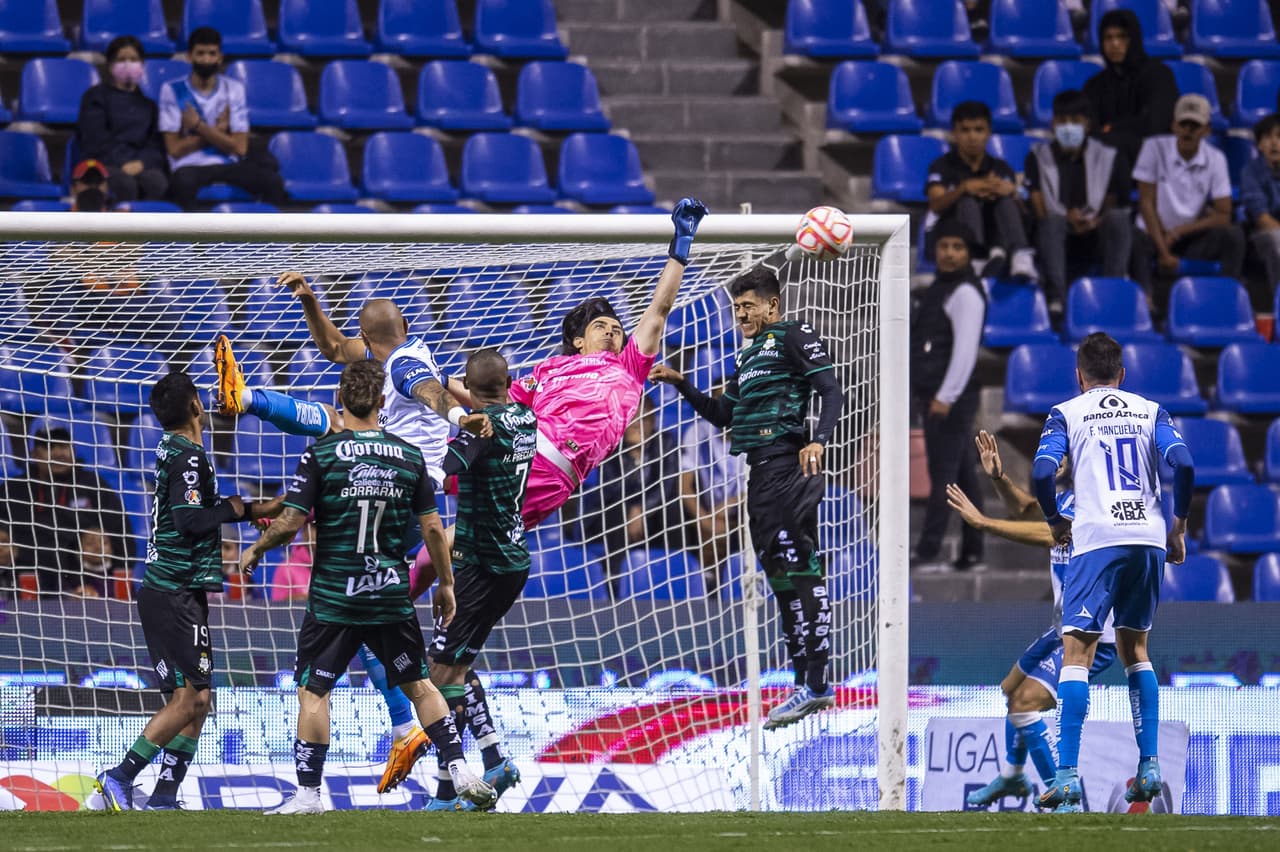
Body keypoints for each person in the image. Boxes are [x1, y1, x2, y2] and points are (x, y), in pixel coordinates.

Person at [238, 359, 496, 815]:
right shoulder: (410, 457)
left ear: (340, 399)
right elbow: (433, 530)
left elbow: (292, 521)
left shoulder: (322, 455)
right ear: (381, 401)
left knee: (314, 692)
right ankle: (459, 769)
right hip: (388, 594)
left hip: (335, 598)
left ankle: (309, 795)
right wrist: (446, 584)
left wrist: (257, 548)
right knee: (420, 685)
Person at [650, 264, 844, 729]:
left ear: (772, 305)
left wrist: (818, 440)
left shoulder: (793, 335)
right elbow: (723, 415)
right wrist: (682, 384)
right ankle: (804, 683)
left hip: (790, 465)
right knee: (780, 580)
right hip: (759, 475)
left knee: (802, 569)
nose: (740, 314)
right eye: (736, 307)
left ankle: (819, 681)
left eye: (748, 306)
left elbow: (831, 390)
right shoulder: (747, 355)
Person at [95, 370, 281, 811]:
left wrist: (259, 508)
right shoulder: (189, 458)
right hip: (174, 591)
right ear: (196, 406)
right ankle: (118, 777)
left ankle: (164, 796)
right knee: (188, 698)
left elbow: (200, 509)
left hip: (172, 589)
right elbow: (190, 521)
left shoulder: (175, 449)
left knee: (197, 699)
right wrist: (234, 509)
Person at [1031, 332, 1194, 813]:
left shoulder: (1067, 412)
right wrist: (1179, 526)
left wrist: (1054, 520)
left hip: (1097, 538)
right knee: (1136, 651)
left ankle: (1066, 776)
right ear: (1122, 374)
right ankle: (1149, 767)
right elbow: (1183, 464)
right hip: (1147, 537)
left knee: (1077, 654)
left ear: (1079, 377)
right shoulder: (1150, 411)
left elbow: (1041, 473)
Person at [945, 431, 1117, 808]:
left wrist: (983, 523)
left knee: (1025, 703)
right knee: (1011, 689)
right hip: (1063, 626)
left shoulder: (1098, 505)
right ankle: (1013, 776)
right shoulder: (1067, 498)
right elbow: (1025, 509)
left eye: (1061, 454)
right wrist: (998, 477)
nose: (1054, 460)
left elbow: (1049, 534)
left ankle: (1064, 795)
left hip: (1091, 634)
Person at [423, 349, 536, 810]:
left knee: (436, 676)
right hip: (513, 561)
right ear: (507, 383)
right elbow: (480, 397)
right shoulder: (526, 417)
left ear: (470, 389)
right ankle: (493, 759)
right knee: (457, 669)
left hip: (479, 565)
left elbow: (440, 471)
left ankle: (448, 791)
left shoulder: (482, 432)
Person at [909, 220, 987, 574]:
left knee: (942, 475)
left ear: (968, 253)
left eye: (958, 247)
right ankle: (973, 552)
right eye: (944, 246)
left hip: (950, 401)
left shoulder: (966, 292)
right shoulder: (939, 289)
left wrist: (946, 396)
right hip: (938, 397)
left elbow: (965, 352)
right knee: (963, 474)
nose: (950, 254)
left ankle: (928, 551)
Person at [1131, 94, 1244, 316]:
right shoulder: (1153, 147)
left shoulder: (1216, 159)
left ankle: (1226, 299)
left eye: (1195, 126)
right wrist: (1164, 250)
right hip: (1153, 235)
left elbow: (1223, 214)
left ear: (1207, 130)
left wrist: (1178, 233)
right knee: (1133, 235)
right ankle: (1146, 300)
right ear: (1174, 125)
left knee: (1234, 235)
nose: (1188, 131)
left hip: (1189, 236)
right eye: (1184, 124)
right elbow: (1146, 202)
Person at [1026, 89, 1133, 322]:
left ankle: (1112, 293)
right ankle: (1057, 298)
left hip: (1095, 233)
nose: (1068, 127)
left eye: (1075, 120)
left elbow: (1112, 200)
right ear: (1053, 123)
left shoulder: (1108, 156)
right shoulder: (1037, 156)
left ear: (1087, 123)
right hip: (1057, 235)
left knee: (1118, 218)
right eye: (1062, 120)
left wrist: (1094, 220)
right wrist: (1066, 219)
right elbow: (1038, 204)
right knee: (1050, 222)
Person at [158, 27, 285, 211]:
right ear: (189, 57)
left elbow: (240, 147)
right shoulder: (172, 90)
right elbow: (175, 149)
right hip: (189, 165)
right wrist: (218, 132)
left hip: (228, 163)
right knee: (182, 183)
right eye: (200, 53)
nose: (206, 60)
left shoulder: (234, 89)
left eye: (212, 54)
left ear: (220, 57)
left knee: (273, 182)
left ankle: (264, 229)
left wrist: (199, 126)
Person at [0, 424, 129, 595]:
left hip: (86, 581)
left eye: (64, 447)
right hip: (24, 578)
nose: (59, 453)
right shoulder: (13, 489)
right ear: (35, 455)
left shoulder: (93, 485)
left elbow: (122, 533)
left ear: (73, 452)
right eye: (50, 447)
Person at [925, 100, 1036, 280]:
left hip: (995, 234)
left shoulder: (1000, 167)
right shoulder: (941, 166)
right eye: (965, 130)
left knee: (1006, 200)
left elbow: (1024, 210)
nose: (972, 137)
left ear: (988, 132)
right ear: (954, 133)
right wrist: (964, 188)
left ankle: (1020, 255)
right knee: (967, 201)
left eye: (979, 130)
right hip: (955, 235)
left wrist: (1013, 192)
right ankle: (975, 258)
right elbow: (936, 205)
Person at [580, 396, 688, 579]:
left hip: (651, 515)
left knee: (673, 506)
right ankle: (615, 575)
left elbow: (666, 485)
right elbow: (612, 488)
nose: (637, 424)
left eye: (643, 418)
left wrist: (641, 509)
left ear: (653, 422)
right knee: (618, 508)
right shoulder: (610, 445)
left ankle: (676, 570)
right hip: (612, 517)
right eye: (632, 418)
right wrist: (633, 454)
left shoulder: (665, 442)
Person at [76, 34, 169, 204]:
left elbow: (155, 145)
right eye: (121, 59)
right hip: (104, 162)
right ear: (110, 65)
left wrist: (142, 163)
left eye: (134, 59)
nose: (128, 64)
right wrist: (123, 162)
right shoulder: (95, 97)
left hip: (140, 164)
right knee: (125, 184)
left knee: (157, 183)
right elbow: (95, 140)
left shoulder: (149, 105)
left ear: (142, 64)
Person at [1083, 8, 1179, 166]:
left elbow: (1157, 123)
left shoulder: (1158, 75)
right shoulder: (1094, 85)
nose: (1115, 44)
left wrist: (1112, 128)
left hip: (1154, 163)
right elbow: (1090, 130)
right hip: (1108, 165)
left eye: (1122, 37)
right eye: (1108, 38)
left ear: (1134, 39)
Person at [678, 412, 745, 588]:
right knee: (710, 533)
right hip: (709, 511)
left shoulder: (758, 432)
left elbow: (765, 484)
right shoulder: (697, 432)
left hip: (746, 511)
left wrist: (730, 504)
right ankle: (707, 584)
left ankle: (747, 580)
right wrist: (705, 521)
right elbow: (684, 486)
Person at [1240, 113, 1280, 308]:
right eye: (1267, 137)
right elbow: (1262, 218)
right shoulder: (1250, 172)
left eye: (1279, 137)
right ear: (1259, 145)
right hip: (1260, 235)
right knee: (1277, 240)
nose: (1274, 143)